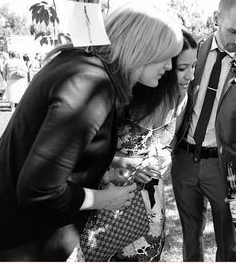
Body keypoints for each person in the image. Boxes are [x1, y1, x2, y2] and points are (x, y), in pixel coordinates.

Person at [0, 2, 183, 261]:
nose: (169, 67)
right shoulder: (92, 84)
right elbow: (38, 190)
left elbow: (51, 155)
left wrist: (99, 174)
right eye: (165, 56)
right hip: (15, 242)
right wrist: (102, 199)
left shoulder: (79, 64)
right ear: (140, 48)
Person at [77, 30, 198, 262]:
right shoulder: (128, 95)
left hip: (152, 197)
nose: (190, 75)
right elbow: (90, 152)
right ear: (164, 64)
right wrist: (131, 165)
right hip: (110, 192)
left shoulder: (182, 98)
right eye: (182, 68)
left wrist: (165, 157)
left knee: (147, 254)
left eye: (194, 66)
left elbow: (167, 143)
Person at [171, 0, 236, 261]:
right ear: (217, 17)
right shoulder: (192, 51)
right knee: (190, 236)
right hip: (184, 159)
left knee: (227, 241)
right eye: (233, 31)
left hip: (225, 166)